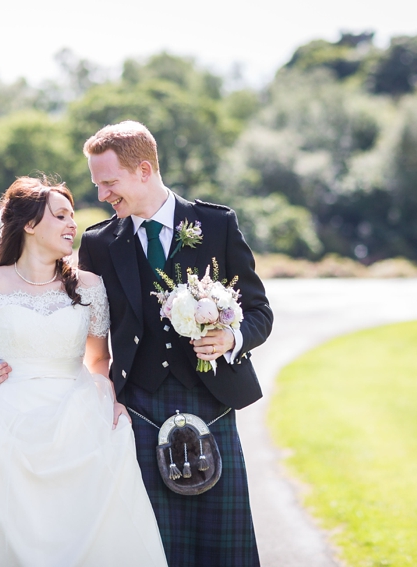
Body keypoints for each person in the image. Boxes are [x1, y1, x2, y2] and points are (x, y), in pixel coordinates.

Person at [0, 176, 167, 566]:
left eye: (72, 215)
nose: (73, 224)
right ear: (30, 224)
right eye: (60, 215)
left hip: (76, 418)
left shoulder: (89, 287)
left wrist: (106, 394)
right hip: (0, 424)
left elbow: (98, 359)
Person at [76, 121, 273, 566]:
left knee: (223, 547)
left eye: (109, 183)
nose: (103, 195)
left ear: (143, 170)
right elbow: (75, 321)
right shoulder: (99, 243)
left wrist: (232, 337)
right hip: (140, 407)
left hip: (213, 401)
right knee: (156, 546)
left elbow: (260, 311)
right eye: (98, 185)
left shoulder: (216, 224)